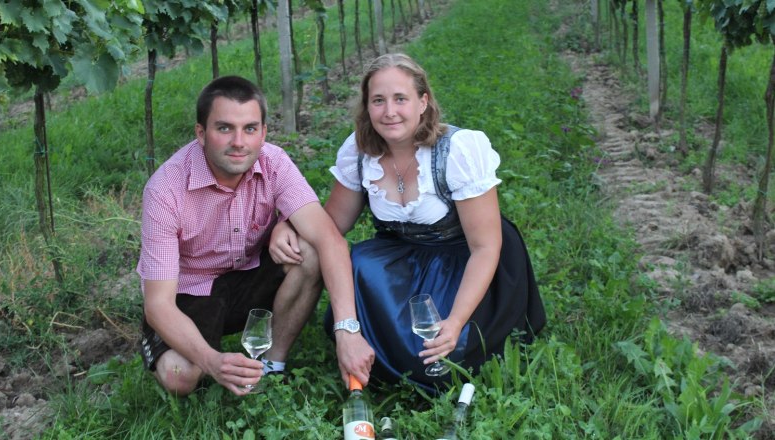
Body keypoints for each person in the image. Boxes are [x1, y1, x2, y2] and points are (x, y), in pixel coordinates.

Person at [270, 54, 546, 392]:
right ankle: (362, 344)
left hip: (463, 261)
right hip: (403, 256)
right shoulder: (360, 152)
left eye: (400, 98)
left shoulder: (457, 150)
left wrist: (456, 321)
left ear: (423, 102)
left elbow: (485, 247)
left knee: (438, 361)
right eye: (378, 101)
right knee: (356, 263)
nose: (389, 112)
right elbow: (330, 225)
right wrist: (288, 223)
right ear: (367, 107)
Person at [137, 75, 374, 396]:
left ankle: (272, 366)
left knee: (311, 250)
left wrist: (347, 329)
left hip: (250, 276)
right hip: (191, 291)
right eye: (224, 128)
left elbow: (328, 238)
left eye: (249, 129)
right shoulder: (165, 190)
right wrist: (211, 361)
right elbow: (158, 305)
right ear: (201, 133)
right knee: (180, 377)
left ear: (263, 132)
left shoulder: (274, 162)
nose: (239, 142)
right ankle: (202, 354)